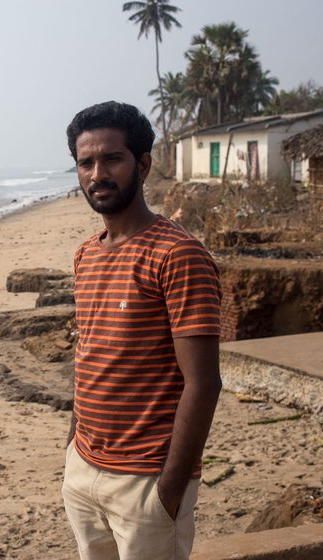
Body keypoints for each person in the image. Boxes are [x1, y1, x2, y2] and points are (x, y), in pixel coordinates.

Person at [62, 101, 222, 560]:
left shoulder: (178, 254)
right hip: (84, 470)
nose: (97, 174)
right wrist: (73, 446)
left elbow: (204, 381)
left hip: (146, 480)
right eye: (85, 162)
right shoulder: (85, 255)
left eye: (112, 158)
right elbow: (90, 352)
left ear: (143, 163)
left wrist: (169, 490)